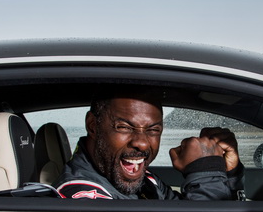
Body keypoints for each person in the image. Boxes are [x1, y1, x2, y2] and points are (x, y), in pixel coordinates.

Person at [53, 86, 244, 200]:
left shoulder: (145, 180)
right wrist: (205, 171)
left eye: (153, 130)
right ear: (93, 126)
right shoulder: (81, 198)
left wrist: (226, 173)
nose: (142, 144)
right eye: (125, 127)